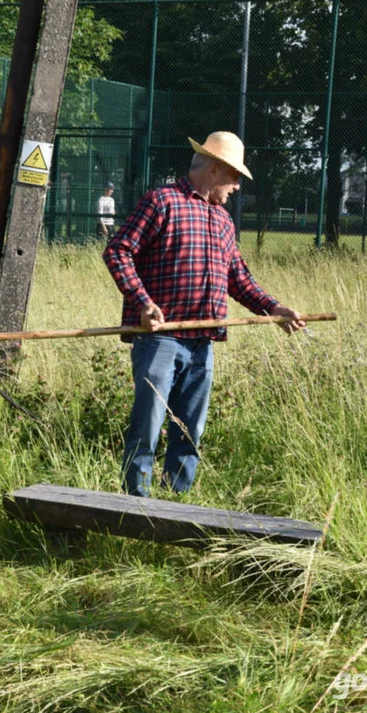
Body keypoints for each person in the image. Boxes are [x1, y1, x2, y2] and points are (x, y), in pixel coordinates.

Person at [102, 131, 304, 498]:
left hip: (203, 342)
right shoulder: (162, 202)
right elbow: (118, 252)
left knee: (190, 432)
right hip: (160, 339)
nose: (237, 187)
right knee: (148, 427)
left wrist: (273, 308)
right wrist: (144, 302)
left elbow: (238, 278)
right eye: (234, 177)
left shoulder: (223, 221)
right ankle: (136, 506)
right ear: (214, 170)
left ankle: (175, 504)